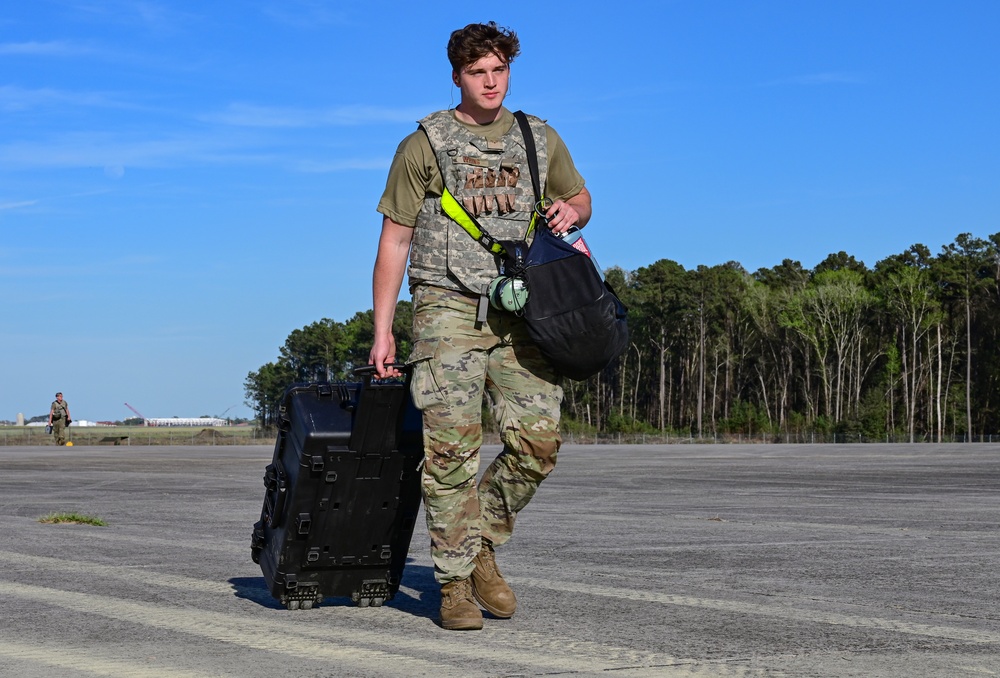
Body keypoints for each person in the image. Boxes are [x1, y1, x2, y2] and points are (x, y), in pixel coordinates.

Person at [369, 21, 591, 630]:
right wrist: (383, 330)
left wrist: (573, 208)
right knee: (449, 453)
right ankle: (455, 584)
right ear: (456, 76)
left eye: (498, 70)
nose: (490, 82)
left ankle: (482, 541)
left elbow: (582, 199)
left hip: (526, 312)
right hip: (447, 308)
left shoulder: (538, 137)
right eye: (477, 72)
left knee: (537, 445)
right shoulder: (425, 144)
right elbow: (394, 240)